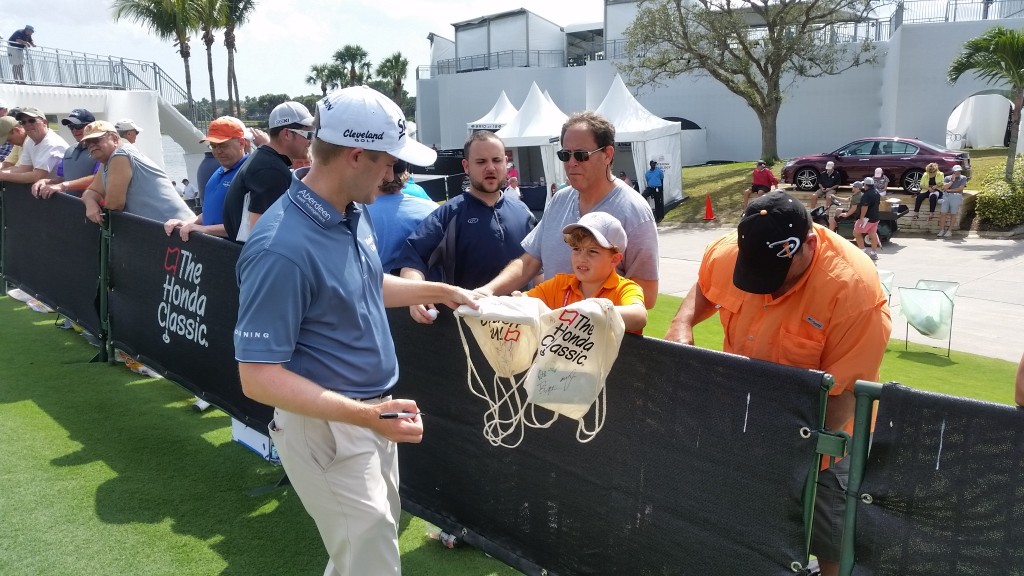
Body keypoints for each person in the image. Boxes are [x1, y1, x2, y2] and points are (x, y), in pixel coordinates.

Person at [234, 85, 480, 576]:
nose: (395, 174)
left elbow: (364, 284)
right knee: (371, 561)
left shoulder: (351, 210)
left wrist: (442, 291)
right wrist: (364, 417)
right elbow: (257, 377)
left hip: (365, 418)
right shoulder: (280, 247)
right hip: (328, 429)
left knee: (362, 553)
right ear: (356, 155)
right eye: (389, 161)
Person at [664, 190, 890, 576]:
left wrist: (780, 453)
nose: (769, 289)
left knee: (831, 541)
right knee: (747, 529)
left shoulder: (853, 290)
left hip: (829, 441)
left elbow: (845, 397)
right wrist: (681, 322)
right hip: (745, 426)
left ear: (809, 243)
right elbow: (707, 285)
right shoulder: (730, 251)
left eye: (777, 274)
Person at [480, 111, 660, 310]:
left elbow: (647, 295)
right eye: (565, 155)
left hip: (597, 338)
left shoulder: (634, 210)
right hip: (550, 336)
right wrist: (487, 291)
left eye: (581, 155)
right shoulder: (560, 200)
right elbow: (530, 261)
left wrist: (582, 312)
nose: (571, 162)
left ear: (607, 155)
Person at [397, 130, 537, 323]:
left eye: (496, 160)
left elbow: (537, 267)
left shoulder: (523, 211)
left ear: (506, 162)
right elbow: (413, 259)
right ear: (466, 166)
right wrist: (415, 297)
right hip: (472, 324)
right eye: (481, 162)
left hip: (523, 323)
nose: (490, 168)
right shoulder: (449, 214)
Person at [519, 211, 647, 333]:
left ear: (615, 259)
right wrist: (517, 301)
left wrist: (591, 311)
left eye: (592, 251)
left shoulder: (625, 289)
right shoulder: (560, 284)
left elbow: (639, 316)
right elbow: (523, 302)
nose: (581, 258)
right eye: (576, 249)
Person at [221, 101, 314, 243]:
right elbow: (261, 233)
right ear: (287, 134)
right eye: (308, 134)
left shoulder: (262, 159)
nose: (310, 141)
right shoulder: (271, 170)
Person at [74, 121, 193, 223]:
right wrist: (89, 202)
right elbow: (93, 191)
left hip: (178, 229)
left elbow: (114, 204)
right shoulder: (107, 161)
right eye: (88, 143)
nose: (92, 145)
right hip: (164, 229)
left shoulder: (120, 155)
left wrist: (94, 202)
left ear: (115, 138)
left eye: (96, 140)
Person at [164, 116, 249, 241]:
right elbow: (211, 212)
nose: (217, 152)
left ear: (241, 143)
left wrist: (205, 229)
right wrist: (187, 222)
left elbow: (249, 226)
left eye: (223, 145)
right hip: (211, 249)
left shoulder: (250, 173)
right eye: (213, 146)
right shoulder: (220, 170)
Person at [365, 160, 438, 273]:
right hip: (422, 287)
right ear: (404, 173)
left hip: (374, 287)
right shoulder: (433, 210)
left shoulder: (356, 214)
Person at [31, 108, 101, 198]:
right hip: (70, 205)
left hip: (92, 207)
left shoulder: (101, 150)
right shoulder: (69, 150)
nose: (74, 130)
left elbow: (99, 179)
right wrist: (46, 181)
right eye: (71, 127)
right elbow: (63, 178)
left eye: (79, 126)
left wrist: (63, 186)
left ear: (91, 126)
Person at [0, 107, 69, 185]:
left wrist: (3, 176)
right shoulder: (30, 141)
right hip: (43, 192)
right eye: (23, 122)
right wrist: (2, 174)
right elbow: (23, 169)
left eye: (32, 120)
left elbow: (37, 176)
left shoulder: (52, 143)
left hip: (58, 193)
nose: (27, 124)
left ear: (44, 122)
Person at [840, 175, 882, 260]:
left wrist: (862, 218)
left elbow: (864, 207)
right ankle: (874, 253)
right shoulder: (877, 192)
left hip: (866, 219)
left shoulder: (866, 195)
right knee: (873, 235)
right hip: (875, 218)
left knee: (856, 233)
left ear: (866, 185)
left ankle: (863, 251)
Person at [937, 164, 967, 238]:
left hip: (956, 196)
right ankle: (942, 230)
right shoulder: (947, 178)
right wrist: (952, 181)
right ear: (953, 172)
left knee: (953, 214)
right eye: (956, 171)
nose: (958, 173)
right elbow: (944, 187)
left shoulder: (963, 178)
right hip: (946, 196)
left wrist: (949, 190)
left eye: (959, 171)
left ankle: (949, 231)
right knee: (943, 213)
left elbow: (960, 189)